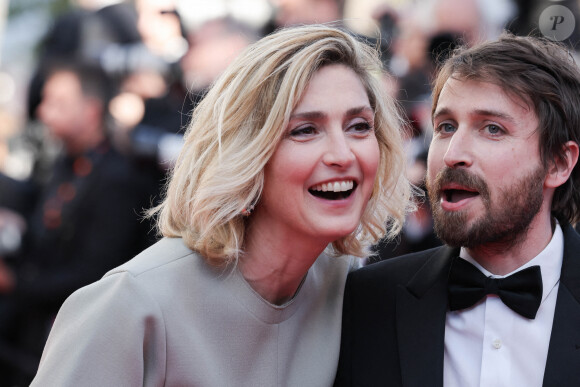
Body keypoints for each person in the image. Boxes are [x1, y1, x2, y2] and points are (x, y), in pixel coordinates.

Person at [31, 24, 411, 386]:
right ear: (245, 153)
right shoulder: (132, 306)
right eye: (305, 130)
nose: (343, 155)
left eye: (359, 126)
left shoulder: (346, 289)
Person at [335, 32, 580, 386]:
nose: (452, 154)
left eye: (492, 129)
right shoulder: (371, 301)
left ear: (558, 162)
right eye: (446, 127)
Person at [0, 61, 158, 385]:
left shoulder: (117, 179)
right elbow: (44, 231)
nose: (43, 112)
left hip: (66, 332)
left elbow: (94, 275)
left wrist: (15, 283)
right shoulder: (64, 161)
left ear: (90, 111)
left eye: (57, 103)